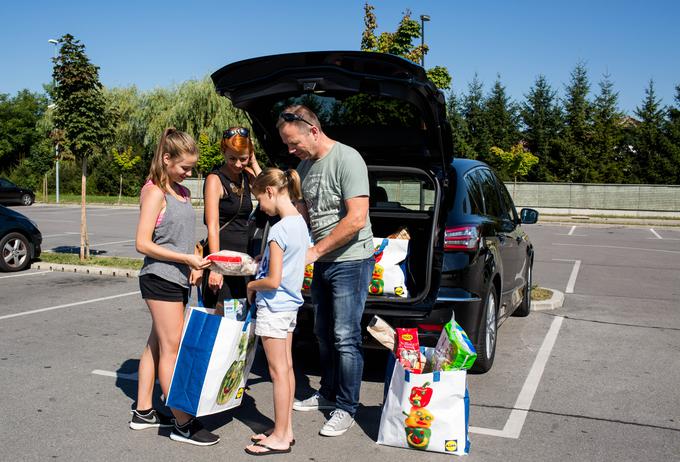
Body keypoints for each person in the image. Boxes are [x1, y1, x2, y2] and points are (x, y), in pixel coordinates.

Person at [277, 105, 374, 437]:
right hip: (323, 261)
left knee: (345, 336)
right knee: (322, 332)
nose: (291, 150)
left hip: (351, 261)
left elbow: (357, 217)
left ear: (313, 131)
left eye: (293, 143)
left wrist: (315, 250)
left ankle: (347, 407)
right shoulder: (305, 166)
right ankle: (329, 393)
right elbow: (302, 212)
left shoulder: (347, 159)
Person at [132, 128, 219, 446]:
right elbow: (142, 243)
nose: (189, 172)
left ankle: (143, 411)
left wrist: (194, 260)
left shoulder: (181, 191)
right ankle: (183, 422)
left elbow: (180, 236)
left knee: (156, 345)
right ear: (166, 159)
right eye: (184, 166)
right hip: (159, 278)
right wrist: (183, 258)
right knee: (173, 349)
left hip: (179, 277)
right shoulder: (154, 191)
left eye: (192, 167)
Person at [244, 168, 310, 456]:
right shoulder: (299, 223)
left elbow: (272, 280)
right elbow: (293, 262)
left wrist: (251, 284)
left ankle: (281, 436)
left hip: (273, 306)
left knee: (277, 372)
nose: (261, 206)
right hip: (290, 305)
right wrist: (266, 259)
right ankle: (286, 429)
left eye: (260, 200)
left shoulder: (279, 229)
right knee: (287, 369)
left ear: (270, 191)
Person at [202, 127, 261, 309]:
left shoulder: (247, 175)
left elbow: (272, 192)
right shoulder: (215, 179)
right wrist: (216, 267)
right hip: (223, 258)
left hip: (243, 259)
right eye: (232, 158)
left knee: (241, 319)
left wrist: (254, 163)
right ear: (223, 153)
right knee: (221, 320)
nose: (237, 164)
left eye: (243, 158)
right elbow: (212, 226)